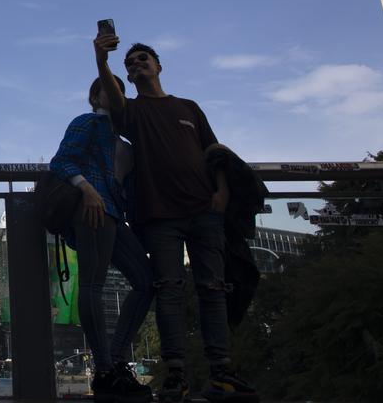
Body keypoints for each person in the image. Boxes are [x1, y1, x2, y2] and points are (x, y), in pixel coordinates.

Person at [94, 34, 259, 403]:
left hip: (204, 211)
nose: (136, 65)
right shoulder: (132, 112)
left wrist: (222, 192)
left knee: (213, 291)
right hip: (159, 216)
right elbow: (114, 97)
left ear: (158, 66)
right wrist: (101, 60)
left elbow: (214, 151)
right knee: (169, 290)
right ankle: (177, 374)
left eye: (142, 60)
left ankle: (221, 372)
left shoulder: (189, 107)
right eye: (130, 63)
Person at [50, 76, 154, 403]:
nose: (114, 93)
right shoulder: (87, 122)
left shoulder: (124, 139)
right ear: (94, 97)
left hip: (115, 215)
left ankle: (117, 357)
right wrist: (87, 189)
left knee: (146, 281)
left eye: (119, 90)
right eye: (107, 89)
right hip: (92, 209)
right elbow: (61, 160)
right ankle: (106, 369)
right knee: (92, 284)